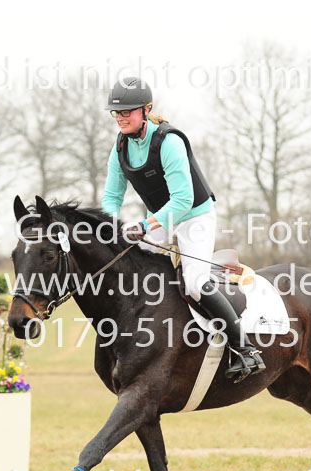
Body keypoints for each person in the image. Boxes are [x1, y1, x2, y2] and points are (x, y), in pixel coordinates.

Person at [101, 77, 265, 382]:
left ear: (146, 109)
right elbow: (112, 197)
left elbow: (182, 200)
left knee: (194, 282)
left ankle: (245, 349)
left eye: (127, 111)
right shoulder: (120, 146)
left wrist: (145, 225)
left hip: (194, 217)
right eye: (117, 112)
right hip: (160, 219)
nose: (121, 117)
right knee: (130, 265)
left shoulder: (169, 141)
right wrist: (110, 226)